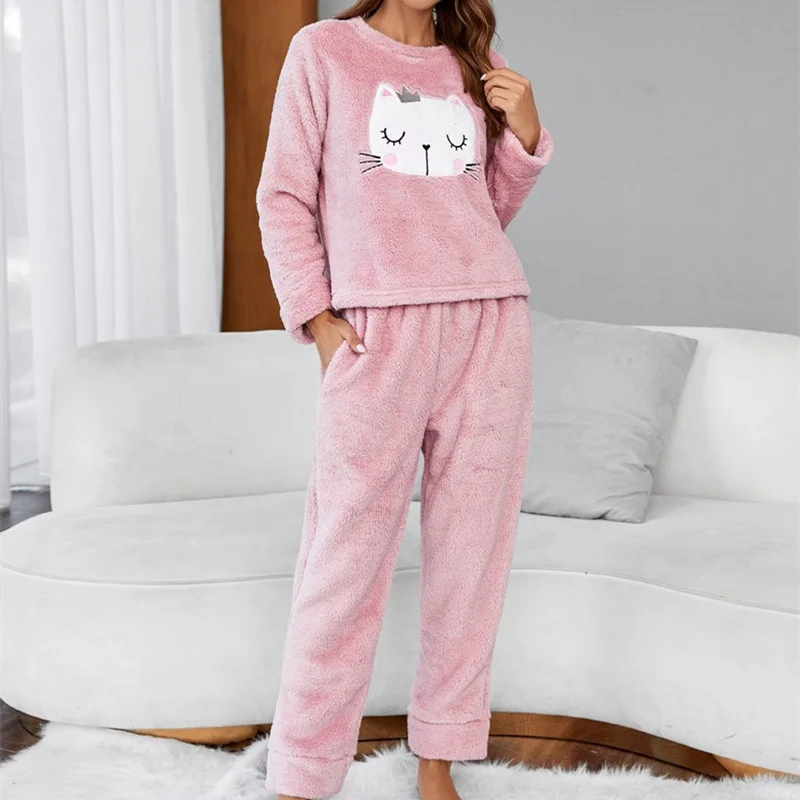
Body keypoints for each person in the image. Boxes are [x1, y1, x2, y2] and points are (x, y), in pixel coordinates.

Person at [255, 1, 554, 797]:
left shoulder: (472, 63)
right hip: (378, 329)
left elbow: (483, 210)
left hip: (488, 321)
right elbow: (283, 195)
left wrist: (525, 137)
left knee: (471, 556)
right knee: (343, 558)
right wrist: (314, 314)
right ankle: (303, 773)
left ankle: (438, 762)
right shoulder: (324, 52)